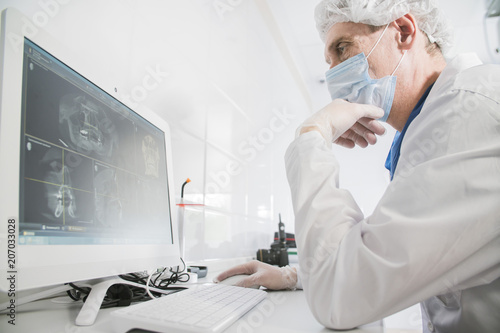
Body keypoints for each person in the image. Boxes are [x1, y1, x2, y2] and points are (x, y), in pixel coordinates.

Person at [215, 0, 500, 332]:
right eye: (328, 61)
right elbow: (388, 254)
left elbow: (342, 298)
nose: (333, 72)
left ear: (404, 32)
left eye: (342, 47)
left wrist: (311, 137)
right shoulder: (434, 121)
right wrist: (295, 274)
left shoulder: (468, 111)